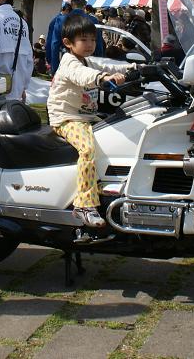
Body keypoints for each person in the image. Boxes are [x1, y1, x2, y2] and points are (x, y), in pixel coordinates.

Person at [46, 14, 128, 227]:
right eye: (84, 39)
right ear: (68, 43)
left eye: (93, 39)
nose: (90, 44)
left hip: (85, 116)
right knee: (87, 149)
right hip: (67, 118)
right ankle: (84, 204)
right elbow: (83, 75)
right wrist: (102, 78)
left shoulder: (87, 60)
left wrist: (136, 68)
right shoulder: (69, 62)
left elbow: (108, 66)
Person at [46, 0, 104, 75]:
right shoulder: (93, 20)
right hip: (87, 65)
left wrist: (54, 68)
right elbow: (98, 46)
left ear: (71, 3)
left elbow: (54, 45)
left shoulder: (60, 20)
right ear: (85, 3)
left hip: (66, 64)